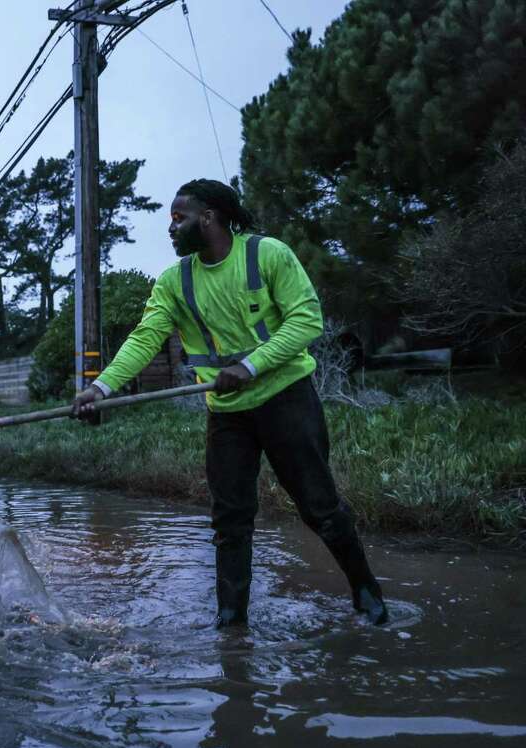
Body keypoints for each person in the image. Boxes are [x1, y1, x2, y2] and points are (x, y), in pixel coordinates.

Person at [73, 179, 387, 627]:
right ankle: (231, 621)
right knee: (230, 520)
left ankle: (365, 591)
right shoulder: (174, 281)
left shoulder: (268, 255)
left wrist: (251, 366)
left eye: (178, 218)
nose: (171, 229)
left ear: (210, 217)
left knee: (320, 507)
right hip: (227, 415)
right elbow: (144, 340)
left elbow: (306, 321)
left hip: (286, 401)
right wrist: (100, 389)